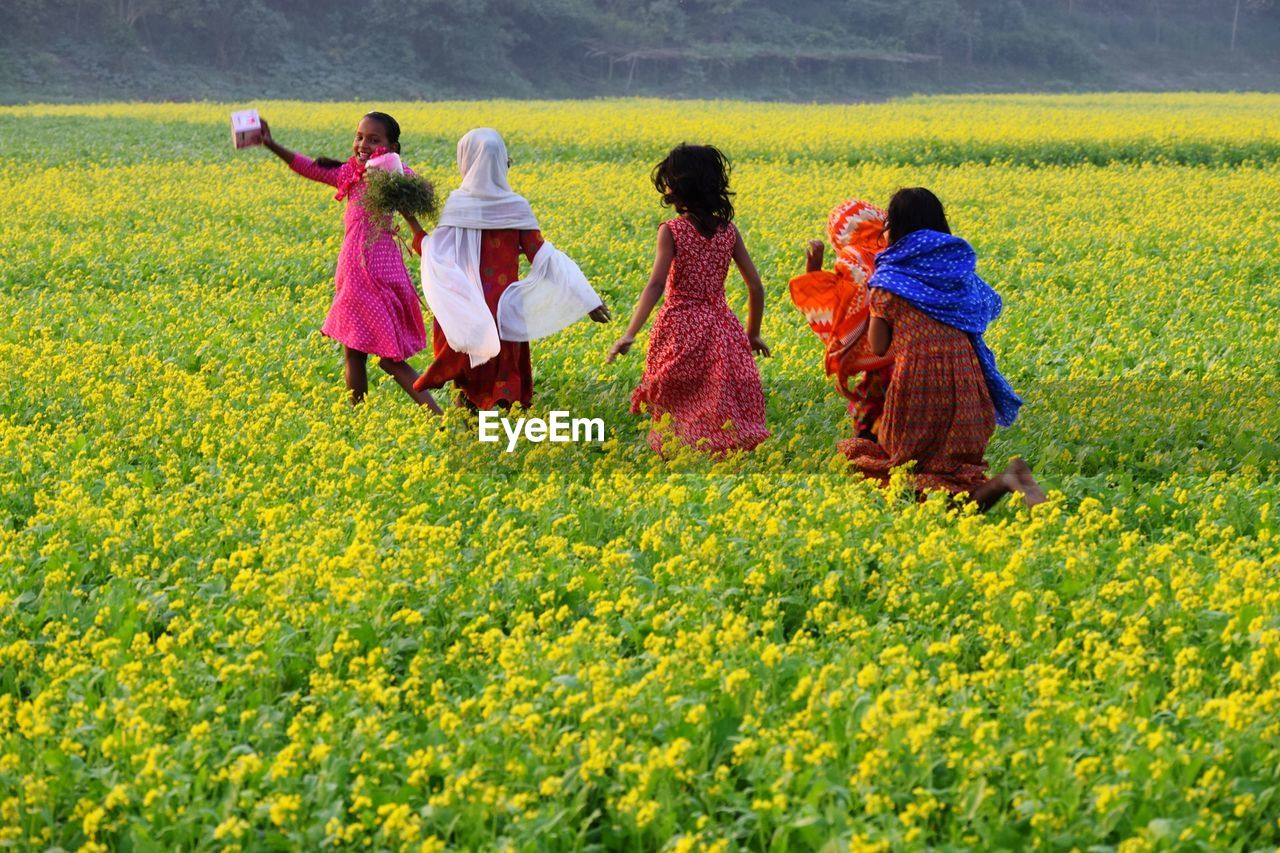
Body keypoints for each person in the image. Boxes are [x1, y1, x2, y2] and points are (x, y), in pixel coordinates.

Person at [842, 187, 1045, 510]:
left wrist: (860, 305)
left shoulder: (889, 277)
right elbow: (985, 307)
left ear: (895, 227)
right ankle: (1010, 477)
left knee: (910, 480)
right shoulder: (956, 272)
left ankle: (1009, 479)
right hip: (967, 384)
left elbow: (879, 346)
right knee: (951, 479)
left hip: (920, 387)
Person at [414, 128, 609, 409]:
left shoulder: (457, 206)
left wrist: (412, 224)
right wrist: (586, 297)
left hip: (468, 310)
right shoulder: (516, 206)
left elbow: (433, 253)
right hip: (504, 312)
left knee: (469, 378)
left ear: (467, 160)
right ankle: (501, 444)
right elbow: (544, 255)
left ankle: (472, 440)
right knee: (503, 380)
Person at [260, 112, 440, 411]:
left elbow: (418, 195)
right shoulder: (352, 173)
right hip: (355, 270)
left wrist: (388, 179)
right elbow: (310, 168)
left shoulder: (396, 173)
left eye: (374, 139)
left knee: (391, 360)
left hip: (371, 273)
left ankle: (438, 416)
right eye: (360, 137)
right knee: (354, 353)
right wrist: (270, 143)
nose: (363, 144)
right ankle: (357, 419)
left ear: (392, 147)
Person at [608, 144, 769, 454]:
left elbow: (655, 285)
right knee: (715, 397)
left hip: (680, 327)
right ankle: (718, 450)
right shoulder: (729, 231)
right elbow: (756, 287)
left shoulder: (672, 230)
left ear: (677, 187)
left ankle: (678, 452)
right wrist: (753, 333)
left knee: (678, 397)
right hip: (722, 328)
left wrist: (629, 333)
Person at [790, 198, 895, 440]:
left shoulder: (853, 256)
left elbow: (835, 308)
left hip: (880, 358)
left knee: (873, 416)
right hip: (915, 353)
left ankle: (875, 460)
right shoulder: (898, 252)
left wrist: (813, 271)